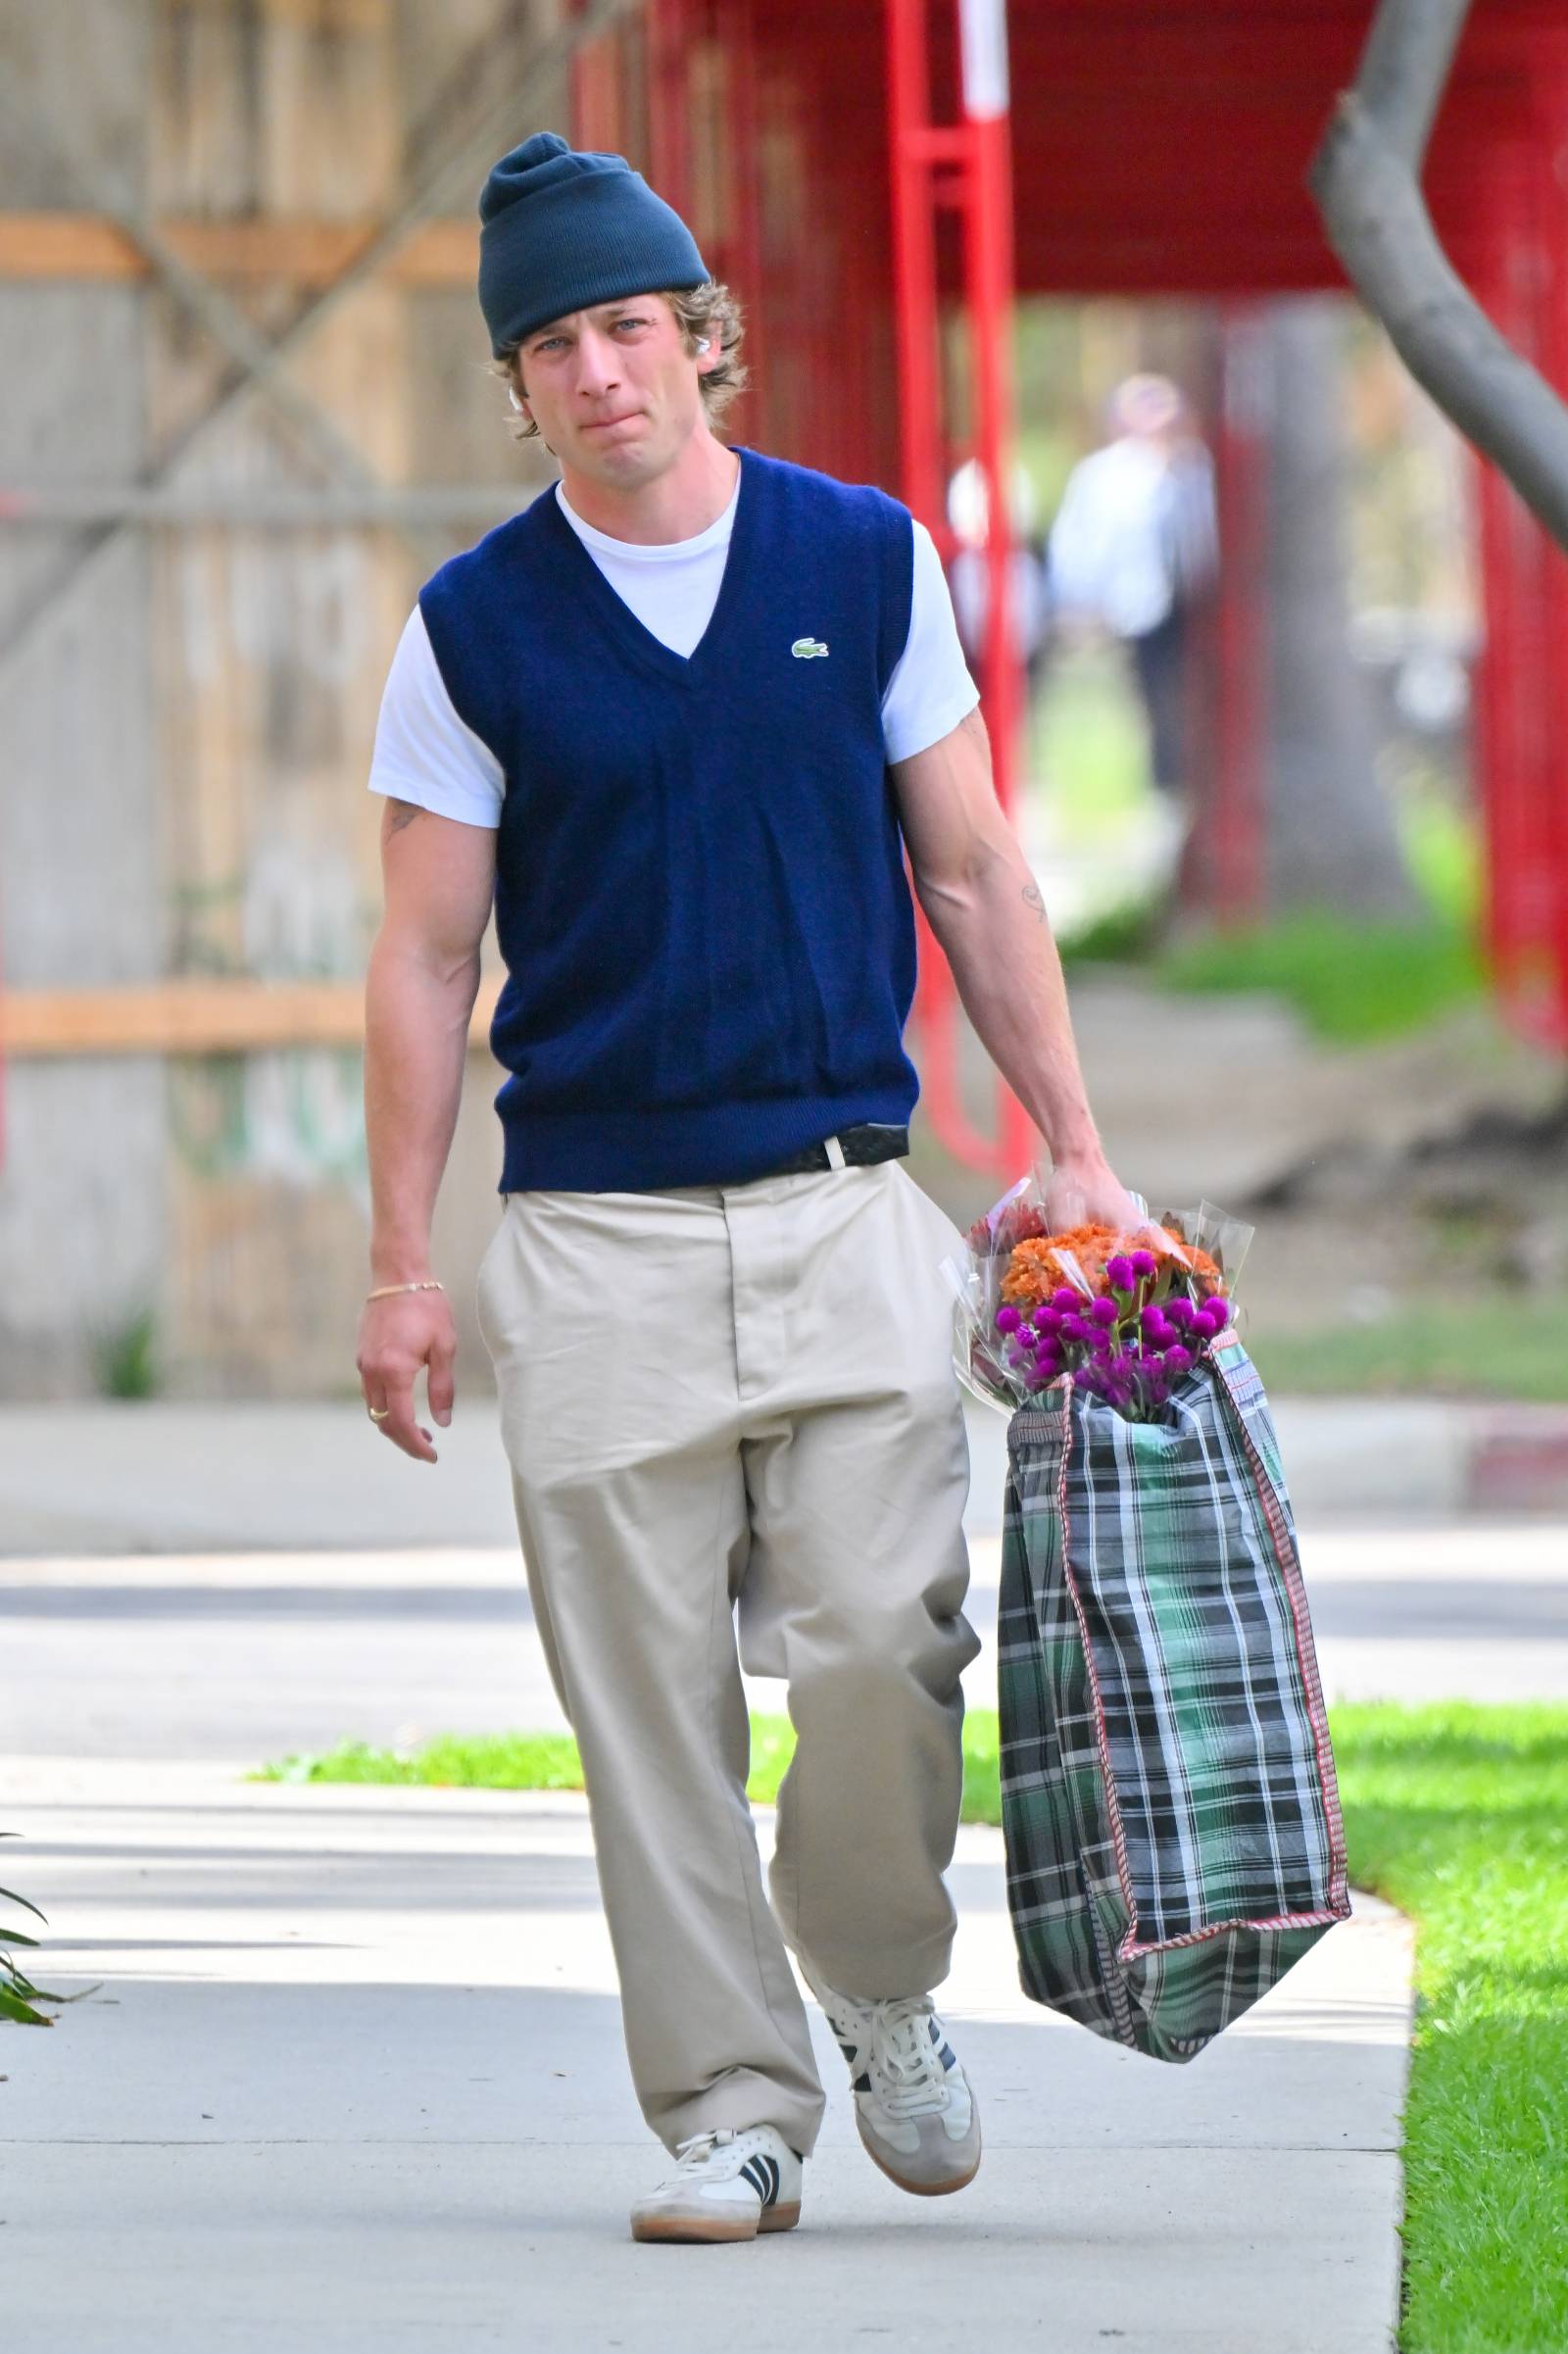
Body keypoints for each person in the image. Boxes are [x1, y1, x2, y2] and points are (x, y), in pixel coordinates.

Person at [357, 129, 1144, 2246]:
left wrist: (1071, 1148)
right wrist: (393, 1268)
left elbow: (972, 868)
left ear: (701, 341)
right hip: (590, 1242)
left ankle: (877, 1977)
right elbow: (428, 959)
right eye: (551, 344)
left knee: (889, 1642)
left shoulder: (857, 562)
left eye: (628, 326)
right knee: (648, 1719)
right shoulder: (471, 630)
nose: (598, 371)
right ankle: (730, 2102)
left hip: (841, 1210)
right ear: (514, 386)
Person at [1045, 372, 1218, 830]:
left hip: (1197, 603)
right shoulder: (1104, 475)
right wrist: (1078, 602)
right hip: (1135, 607)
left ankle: (1188, 785)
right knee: (1149, 697)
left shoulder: (1194, 467)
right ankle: (1159, 789)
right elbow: (1078, 543)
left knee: (1191, 696)